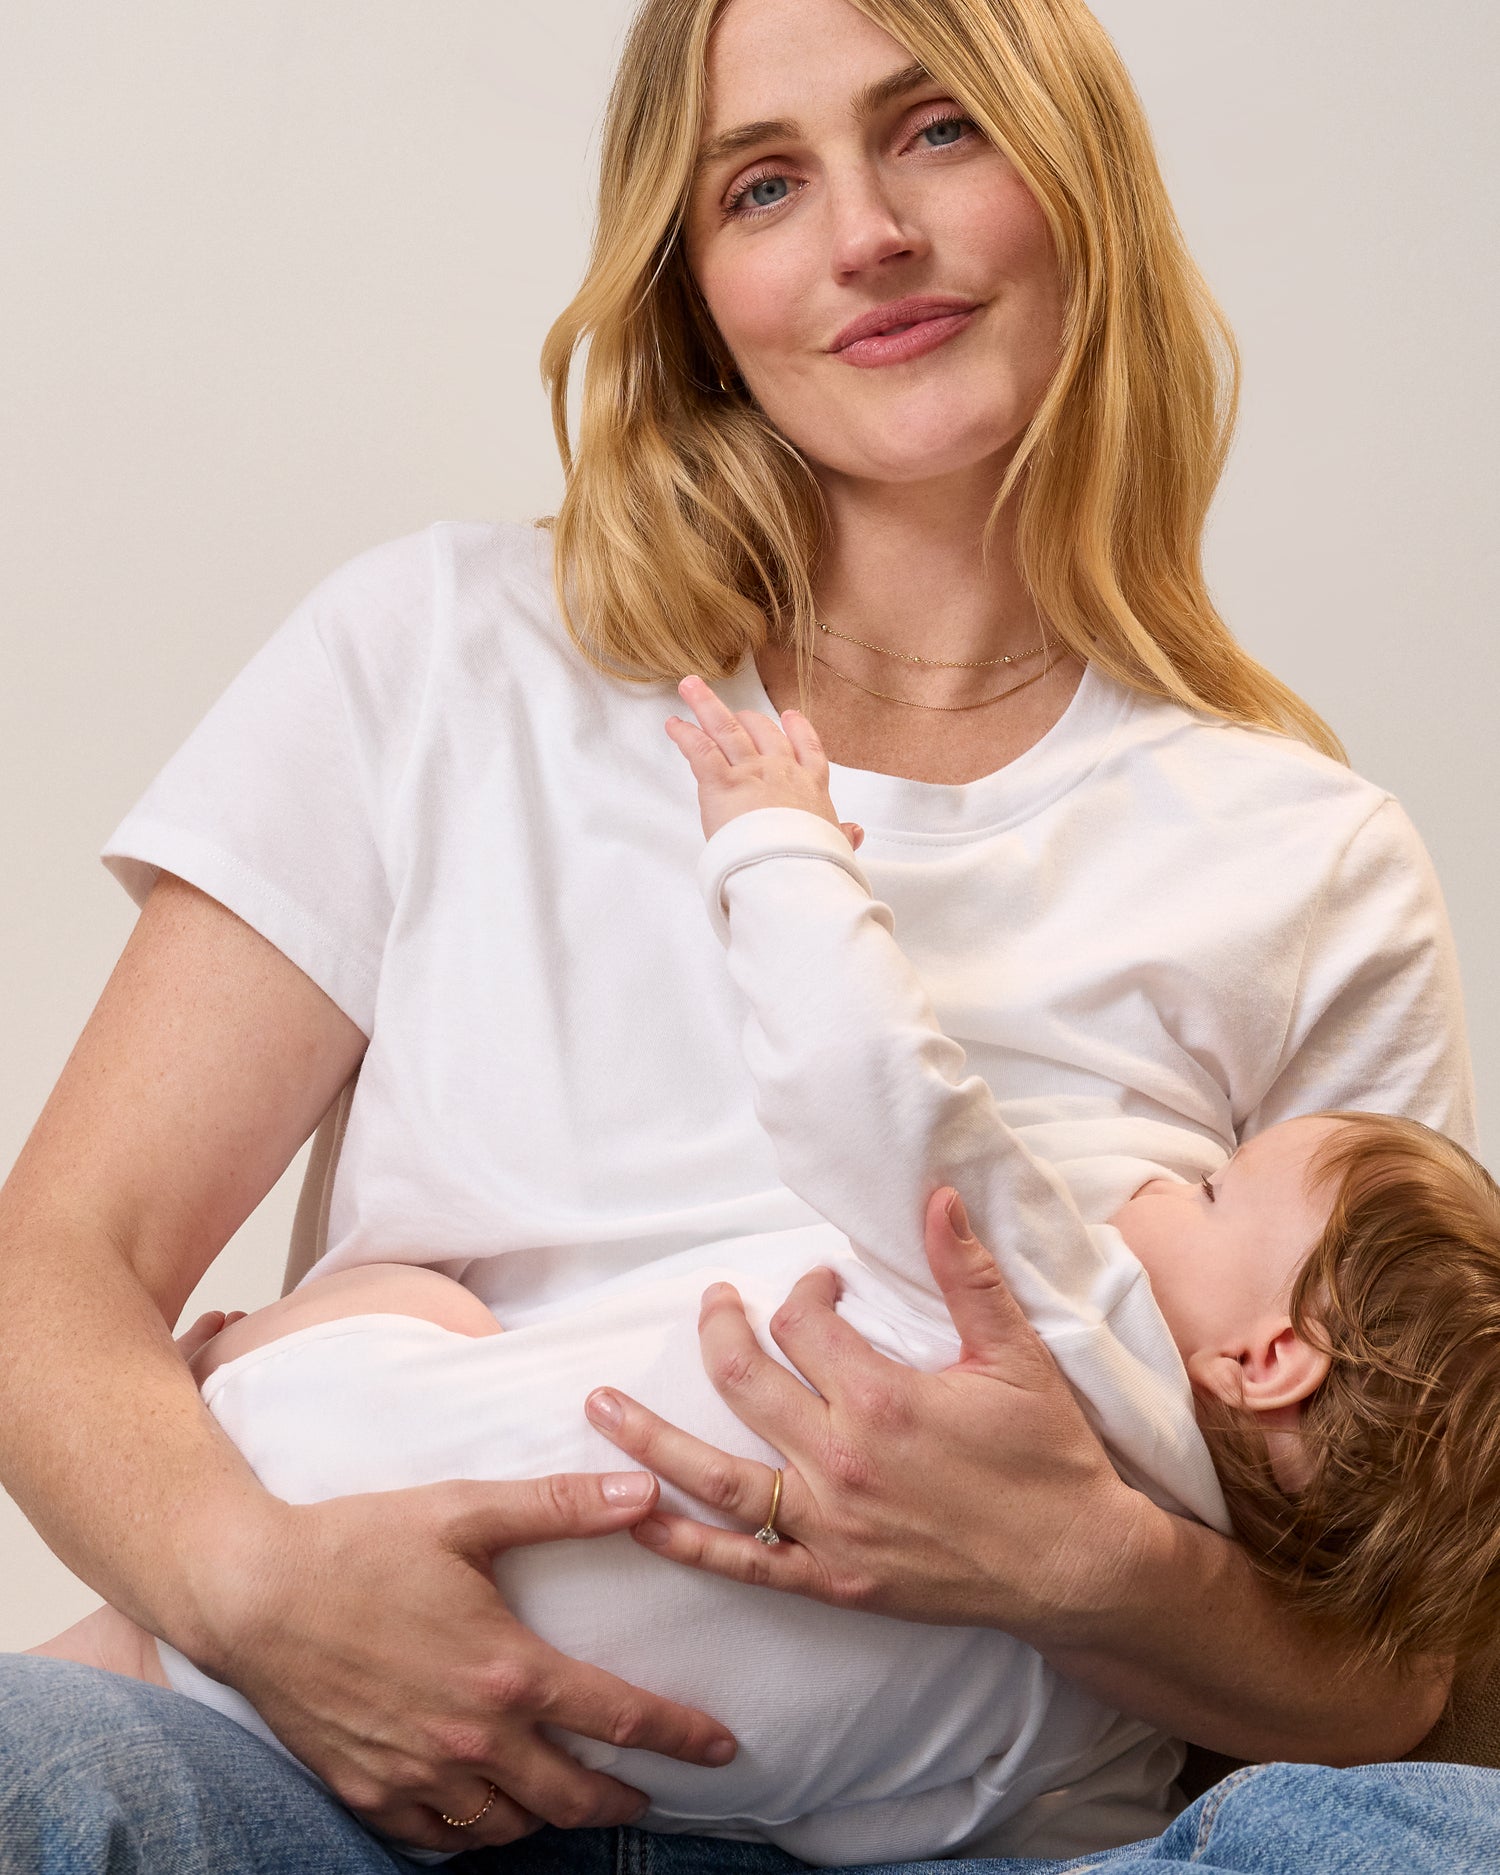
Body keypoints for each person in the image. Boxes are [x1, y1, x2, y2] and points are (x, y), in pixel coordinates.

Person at [0, 0, 1494, 1869]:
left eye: (938, 130)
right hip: (372, 1793)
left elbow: (1406, 1655)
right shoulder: (438, 653)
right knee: (29, 1762)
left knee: (1436, 1837)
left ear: (1079, 176)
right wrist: (252, 1594)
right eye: (764, 186)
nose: (867, 233)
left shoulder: (1306, 856)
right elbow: (52, 1266)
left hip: (963, 1831)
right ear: (697, 290)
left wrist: (1088, 1566)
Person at [28, 677, 1500, 1866]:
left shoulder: (1057, 1310)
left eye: (1210, 1183)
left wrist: (778, 841)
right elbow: (913, 1822)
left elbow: (875, 1085)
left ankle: (247, 1385)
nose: (1157, 1186)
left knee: (408, 1328)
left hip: (365, 1465)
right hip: (353, 1648)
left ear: (1269, 1357)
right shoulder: (1083, 1740)